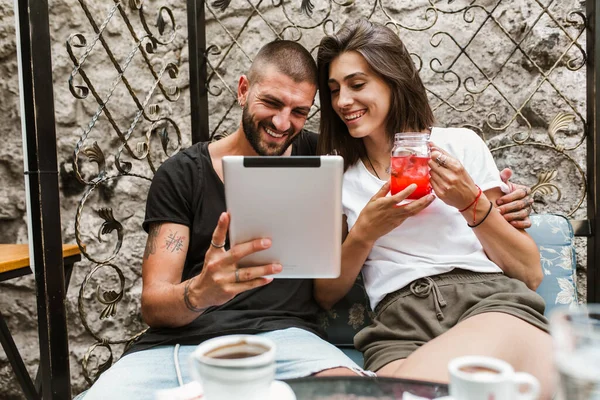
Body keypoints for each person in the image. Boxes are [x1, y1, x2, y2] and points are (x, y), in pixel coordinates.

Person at [78, 39, 533, 399]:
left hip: (291, 339)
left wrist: (495, 200)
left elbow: (392, 158)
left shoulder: (329, 158)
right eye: (271, 103)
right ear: (242, 90)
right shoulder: (184, 172)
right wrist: (200, 292)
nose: (282, 122)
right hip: (174, 347)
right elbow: (154, 302)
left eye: (300, 111)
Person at [314, 19, 554, 399]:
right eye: (333, 90)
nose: (343, 101)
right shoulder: (337, 176)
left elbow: (529, 271)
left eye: (357, 84)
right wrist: (365, 231)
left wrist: (469, 202)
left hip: (487, 302)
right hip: (398, 329)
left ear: (394, 80)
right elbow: (325, 294)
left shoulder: (460, 145)